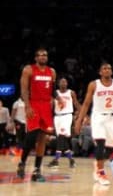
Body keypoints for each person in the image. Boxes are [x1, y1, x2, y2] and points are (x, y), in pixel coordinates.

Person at [73, 62, 113, 186]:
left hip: (112, 118)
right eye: (104, 68)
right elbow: (86, 104)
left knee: (111, 149)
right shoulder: (93, 84)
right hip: (98, 117)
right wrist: (79, 121)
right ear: (100, 72)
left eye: (109, 68)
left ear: (112, 72)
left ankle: (98, 164)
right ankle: (101, 173)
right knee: (100, 143)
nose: (107, 70)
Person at [17, 47, 57, 182]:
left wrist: (56, 100)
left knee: (42, 139)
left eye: (45, 55)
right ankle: (22, 163)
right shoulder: (28, 69)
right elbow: (23, 89)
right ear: (35, 58)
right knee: (31, 137)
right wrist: (27, 106)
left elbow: (52, 90)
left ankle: (36, 170)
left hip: (46, 106)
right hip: (34, 104)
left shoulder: (52, 72)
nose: (42, 57)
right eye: (40, 55)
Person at [48, 77, 80, 169]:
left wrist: (82, 114)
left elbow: (76, 103)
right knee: (61, 139)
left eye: (65, 81)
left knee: (61, 137)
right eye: (61, 81)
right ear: (58, 84)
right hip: (57, 116)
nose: (63, 83)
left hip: (67, 116)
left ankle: (56, 160)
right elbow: (51, 105)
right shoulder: (55, 94)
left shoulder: (71, 92)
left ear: (67, 84)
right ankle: (71, 160)